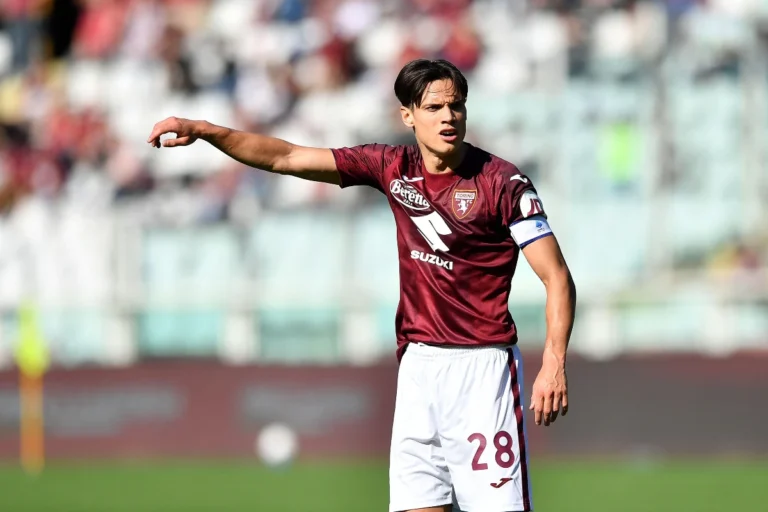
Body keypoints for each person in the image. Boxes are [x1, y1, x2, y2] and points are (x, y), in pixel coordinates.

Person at [147, 59, 576, 512]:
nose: (448, 117)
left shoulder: (503, 183)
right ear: (408, 115)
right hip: (418, 369)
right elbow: (286, 157)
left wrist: (553, 362)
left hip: (482, 371)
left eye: (456, 106)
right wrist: (207, 131)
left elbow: (556, 277)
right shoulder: (392, 167)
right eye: (434, 108)